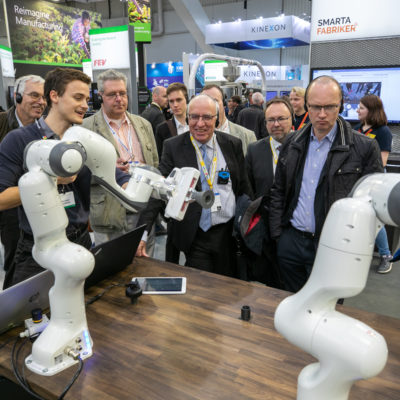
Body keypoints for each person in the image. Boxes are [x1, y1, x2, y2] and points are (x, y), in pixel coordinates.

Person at [0, 68, 130, 288]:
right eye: (78, 98)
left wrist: (144, 184)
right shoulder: (19, 140)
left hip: (80, 242)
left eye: (87, 99)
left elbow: (117, 177)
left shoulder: (84, 140)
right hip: (39, 249)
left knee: (89, 306)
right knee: (29, 316)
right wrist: (51, 179)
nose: (84, 105)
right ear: (54, 96)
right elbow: (2, 198)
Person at [269, 76, 383, 293]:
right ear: (306, 106)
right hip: (291, 242)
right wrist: (278, 235)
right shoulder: (291, 143)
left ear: (340, 105)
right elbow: (279, 190)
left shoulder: (364, 148)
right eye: (316, 107)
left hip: (334, 246)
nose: (322, 114)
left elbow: (372, 205)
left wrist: (351, 246)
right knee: (292, 304)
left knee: (328, 312)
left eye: (329, 107)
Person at [136, 94, 251, 277]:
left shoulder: (232, 144)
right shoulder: (173, 147)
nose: (200, 123)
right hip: (195, 233)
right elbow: (158, 190)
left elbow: (243, 187)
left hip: (227, 234)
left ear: (217, 119)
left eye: (206, 117)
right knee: (202, 286)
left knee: (229, 286)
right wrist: (142, 234)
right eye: (194, 117)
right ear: (187, 118)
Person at [81, 69, 158, 255]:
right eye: (112, 94)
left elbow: (154, 163)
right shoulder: (86, 128)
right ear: (100, 97)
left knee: (146, 267)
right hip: (109, 213)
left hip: (143, 210)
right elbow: (78, 175)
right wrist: (108, 171)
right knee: (111, 271)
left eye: (122, 93)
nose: (119, 98)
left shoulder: (143, 124)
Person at [243, 97, 294, 288]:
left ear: (292, 120)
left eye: (281, 118)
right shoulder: (255, 149)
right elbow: (248, 187)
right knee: (269, 284)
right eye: (271, 120)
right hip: (264, 230)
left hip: (294, 230)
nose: (276, 124)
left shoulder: (303, 147)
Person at [0, 75, 46, 275]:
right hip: (10, 208)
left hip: (41, 205)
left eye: (44, 97)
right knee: (15, 262)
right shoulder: (2, 123)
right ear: (17, 97)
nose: (41, 102)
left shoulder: (46, 128)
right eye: (34, 95)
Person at [354, 94, 393, 273]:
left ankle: (385, 256)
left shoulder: (383, 132)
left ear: (371, 110)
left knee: (374, 219)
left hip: (374, 181)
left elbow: (382, 161)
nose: (357, 110)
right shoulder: (356, 128)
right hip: (355, 179)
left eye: (361, 107)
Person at [201, 84, 256, 155]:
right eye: (205, 101)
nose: (209, 105)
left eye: (214, 101)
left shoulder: (247, 136)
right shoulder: (193, 135)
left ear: (224, 104)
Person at [155, 82, 189, 158]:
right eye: (171, 101)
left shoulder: (196, 124)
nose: (175, 105)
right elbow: (160, 158)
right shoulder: (162, 129)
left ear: (186, 99)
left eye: (179, 100)